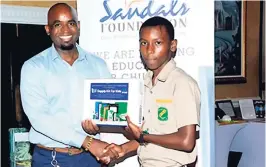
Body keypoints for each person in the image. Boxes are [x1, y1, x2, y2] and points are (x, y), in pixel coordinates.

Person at [83, 16, 201, 167]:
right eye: (144, 43)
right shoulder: (146, 85)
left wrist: (144, 136)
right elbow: (151, 136)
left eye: (157, 43)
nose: (150, 50)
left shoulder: (182, 83)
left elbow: (186, 141)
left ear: (172, 45)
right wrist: (123, 149)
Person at [20, 3, 119, 167]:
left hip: (90, 158)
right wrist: (87, 141)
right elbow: (40, 119)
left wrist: (99, 126)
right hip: (50, 158)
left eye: (71, 23)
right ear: (48, 29)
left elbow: (108, 108)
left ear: (78, 26)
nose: (65, 30)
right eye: (57, 24)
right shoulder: (33, 67)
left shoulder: (98, 65)